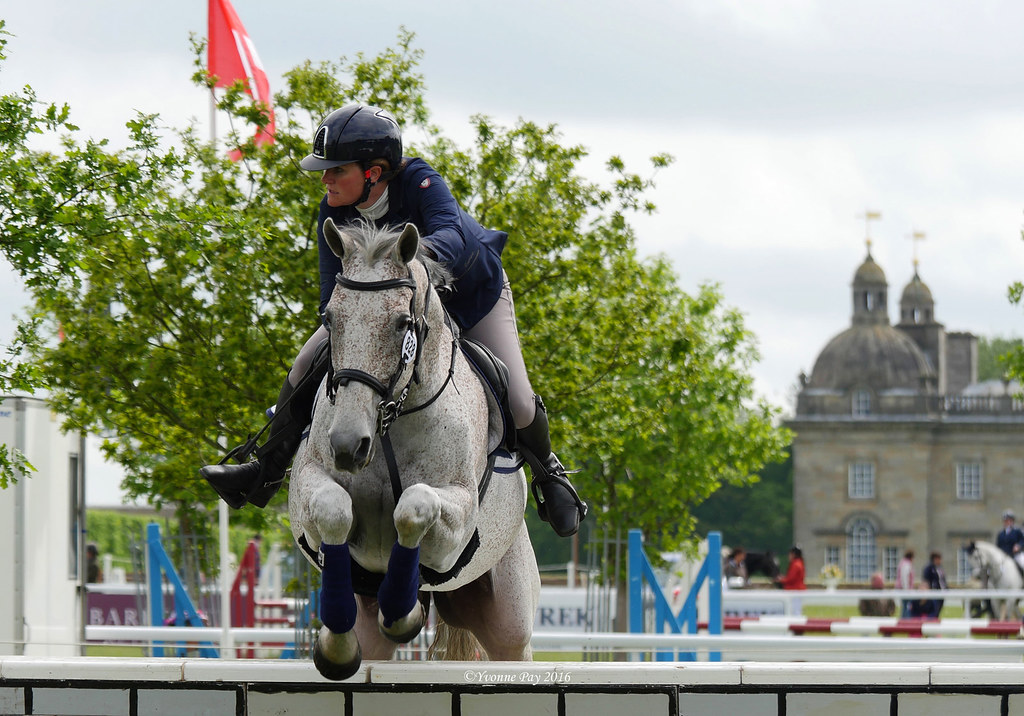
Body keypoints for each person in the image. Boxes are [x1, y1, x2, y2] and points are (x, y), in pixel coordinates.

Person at [200, 104, 587, 537]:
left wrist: (403, 264)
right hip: (380, 313)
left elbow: (452, 233)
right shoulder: (332, 212)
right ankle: (266, 469)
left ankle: (549, 474)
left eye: (336, 170)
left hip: (472, 296)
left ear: (374, 172)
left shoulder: (420, 181)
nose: (325, 179)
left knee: (518, 400)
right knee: (304, 363)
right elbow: (331, 295)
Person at [921, 550, 947, 618]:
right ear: (935, 559)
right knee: (934, 610)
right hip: (933, 592)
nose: (940, 561)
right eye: (939, 559)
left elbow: (942, 580)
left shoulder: (939, 568)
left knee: (939, 609)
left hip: (941, 592)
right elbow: (926, 581)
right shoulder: (929, 568)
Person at [896, 549, 916, 617]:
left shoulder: (903, 563)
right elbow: (904, 578)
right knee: (906, 606)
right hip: (905, 589)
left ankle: (904, 619)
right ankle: (905, 619)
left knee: (905, 606)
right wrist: (906, 590)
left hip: (903, 589)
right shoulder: (906, 564)